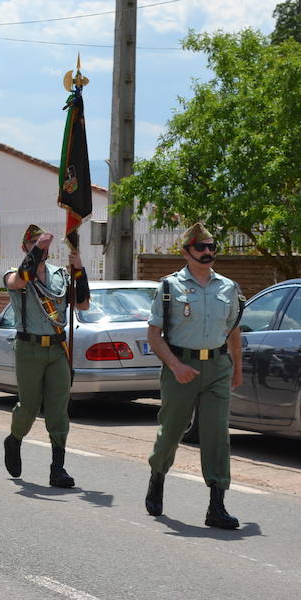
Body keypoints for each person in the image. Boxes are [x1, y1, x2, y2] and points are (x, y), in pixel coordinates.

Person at [144, 223, 243, 529]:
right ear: (186, 252)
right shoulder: (169, 286)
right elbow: (154, 336)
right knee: (172, 430)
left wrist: (237, 368)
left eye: (212, 247)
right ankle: (157, 476)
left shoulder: (228, 287)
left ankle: (216, 506)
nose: (208, 252)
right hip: (181, 366)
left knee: (217, 436)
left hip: (216, 367)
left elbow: (234, 332)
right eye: (201, 248)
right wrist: (175, 366)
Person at [1, 225, 90, 487]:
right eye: (33, 244)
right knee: (28, 407)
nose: (41, 249)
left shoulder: (60, 275)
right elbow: (19, 280)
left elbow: (83, 304)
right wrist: (38, 249)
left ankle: (57, 468)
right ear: (25, 248)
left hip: (57, 349)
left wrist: (79, 269)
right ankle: (14, 439)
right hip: (29, 349)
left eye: (42, 245)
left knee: (58, 408)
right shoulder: (15, 274)